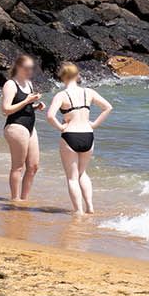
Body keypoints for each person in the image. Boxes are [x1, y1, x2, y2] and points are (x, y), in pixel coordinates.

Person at [47, 62, 112, 216]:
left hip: (70, 135)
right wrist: (94, 124)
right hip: (88, 135)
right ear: (77, 75)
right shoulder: (88, 92)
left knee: (72, 178)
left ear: (62, 77)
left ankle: (79, 211)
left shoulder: (61, 95)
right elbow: (108, 107)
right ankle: (90, 207)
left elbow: (50, 116)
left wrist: (61, 127)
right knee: (83, 173)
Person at [0, 55, 45, 202]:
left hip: (30, 126)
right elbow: (6, 109)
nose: (30, 71)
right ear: (19, 68)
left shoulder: (28, 83)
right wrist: (27, 100)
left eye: (32, 68)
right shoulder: (10, 85)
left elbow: (25, 107)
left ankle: (24, 200)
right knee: (18, 166)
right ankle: (15, 199)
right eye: (27, 68)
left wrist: (35, 106)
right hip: (15, 126)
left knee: (33, 166)